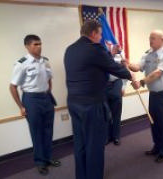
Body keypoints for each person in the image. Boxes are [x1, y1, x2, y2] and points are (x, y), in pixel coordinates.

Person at [64, 20, 136, 179]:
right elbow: (114, 68)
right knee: (95, 144)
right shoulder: (95, 49)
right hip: (91, 105)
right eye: (100, 34)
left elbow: (93, 63)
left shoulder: (70, 50)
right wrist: (131, 75)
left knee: (80, 142)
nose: (101, 37)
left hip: (74, 104)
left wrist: (110, 54)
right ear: (94, 33)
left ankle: (82, 175)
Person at [9, 34, 61, 175]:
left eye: (40, 44)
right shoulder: (22, 64)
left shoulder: (45, 61)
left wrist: (47, 91)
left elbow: (49, 78)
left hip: (46, 98)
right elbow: (13, 86)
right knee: (37, 132)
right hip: (31, 100)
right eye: (35, 44)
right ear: (27, 46)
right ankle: (40, 162)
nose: (39, 47)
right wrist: (21, 106)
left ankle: (48, 158)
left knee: (48, 130)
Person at [129, 30, 163, 163]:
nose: (150, 40)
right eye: (150, 38)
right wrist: (127, 63)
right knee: (153, 122)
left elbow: (157, 73)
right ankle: (156, 146)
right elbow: (137, 67)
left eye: (153, 38)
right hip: (154, 95)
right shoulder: (147, 54)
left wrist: (142, 82)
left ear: (162, 40)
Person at [106, 45, 127, 146]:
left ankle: (116, 137)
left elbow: (124, 70)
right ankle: (107, 136)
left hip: (116, 83)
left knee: (116, 113)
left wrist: (123, 86)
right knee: (105, 113)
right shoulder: (103, 52)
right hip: (104, 84)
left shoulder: (121, 54)